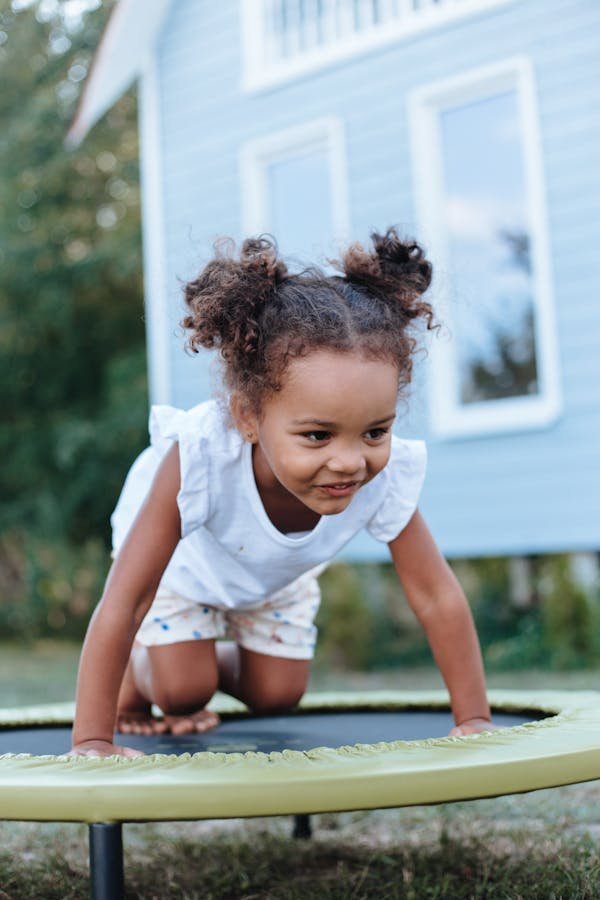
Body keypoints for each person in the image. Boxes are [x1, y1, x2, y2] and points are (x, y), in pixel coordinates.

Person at [71, 227, 496, 757]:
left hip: (270, 577)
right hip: (188, 570)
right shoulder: (201, 458)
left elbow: (435, 595)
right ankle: (145, 673)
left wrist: (474, 719)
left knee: (277, 694)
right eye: (317, 435)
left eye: (375, 432)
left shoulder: (382, 475)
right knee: (183, 691)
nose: (349, 460)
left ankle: (195, 653)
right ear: (248, 417)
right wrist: (92, 739)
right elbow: (128, 599)